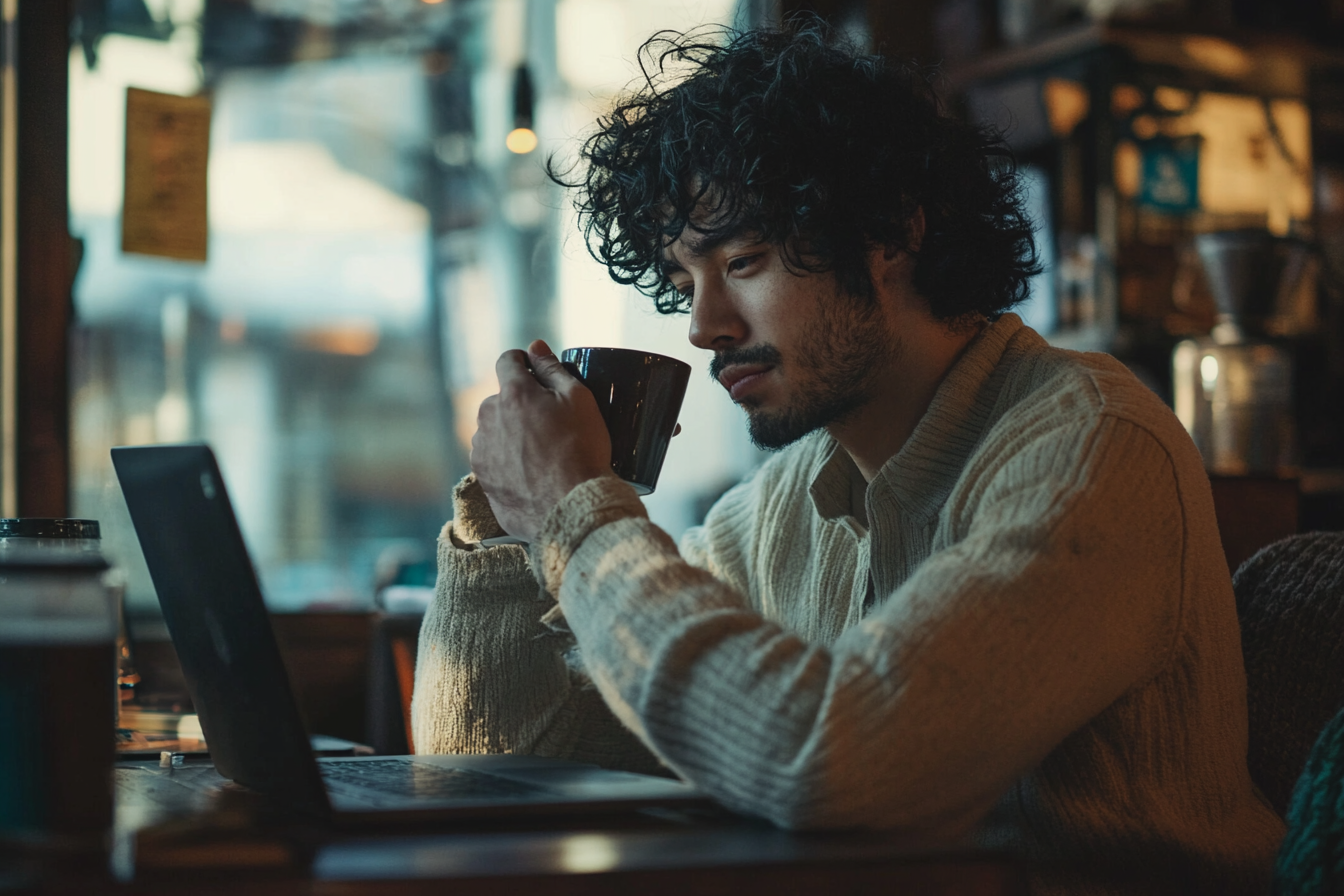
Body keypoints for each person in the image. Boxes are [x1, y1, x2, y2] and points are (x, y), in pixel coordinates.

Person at [410, 20, 1284, 894]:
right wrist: (505, 520)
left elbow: (838, 768)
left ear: (893, 233)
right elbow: (503, 761)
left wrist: (577, 514)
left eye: (742, 260)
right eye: (683, 283)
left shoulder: (1092, 448)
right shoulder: (783, 501)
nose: (703, 326)